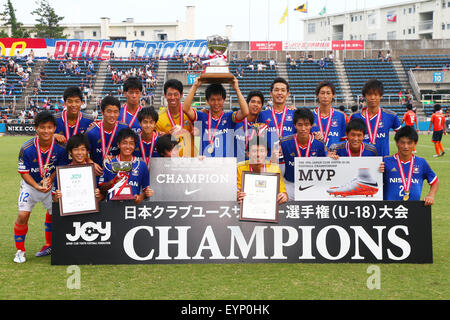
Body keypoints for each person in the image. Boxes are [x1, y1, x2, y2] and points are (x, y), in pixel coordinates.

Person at [14, 111, 69, 263]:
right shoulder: (26, 148)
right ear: (36, 128)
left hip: (50, 186)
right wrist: (36, 186)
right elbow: (24, 172)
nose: (46, 131)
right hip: (30, 186)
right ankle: (20, 250)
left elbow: (60, 167)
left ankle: (49, 245)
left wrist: (50, 180)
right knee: (23, 215)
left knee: (54, 214)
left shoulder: (60, 148)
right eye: (42, 127)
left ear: (55, 128)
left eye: (50, 127)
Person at [182, 76, 249, 157]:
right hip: (206, 162)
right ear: (207, 101)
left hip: (225, 163)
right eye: (213, 100)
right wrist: (195, 86)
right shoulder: (201, 116)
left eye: (219, 99)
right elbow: (185, 108)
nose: (216, 103)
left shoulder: (229, 117)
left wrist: (237, 89)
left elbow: (245, 112)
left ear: (224, 100)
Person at [278, 108, 326, 200]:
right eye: (300, 125)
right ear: (295, 125)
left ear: (311, 125)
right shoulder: (284, 143)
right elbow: (278, 168)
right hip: (290, 185)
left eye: (306, 125)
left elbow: (322, 169)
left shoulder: (319, 144)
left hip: (311, 186)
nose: (303, 128)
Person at [382, 126, 438, 204]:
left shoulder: (421, 162)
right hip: (389, 208)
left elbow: (434, 181)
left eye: (409, 143)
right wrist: (377, 170)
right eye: (402, 142)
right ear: (397, 143)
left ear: (415, 144)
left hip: (413, 210)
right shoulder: (385, 161)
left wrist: (431, 195)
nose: (406, 146)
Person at [99, 128, 153, 203]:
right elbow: (101, 189)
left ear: (134, 146)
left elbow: (146, 190)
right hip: (111, 208)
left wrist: (141, 197)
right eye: (124, 143)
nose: (128, 146)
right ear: (118, 144)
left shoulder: (141, 165)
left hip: (132, 208)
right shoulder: (109, 163)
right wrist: (113, 182)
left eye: (131, 143)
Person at [350, 79, 401, 156]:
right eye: (369, 94)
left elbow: (403, 137)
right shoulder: (355, 116)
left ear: (381, 96)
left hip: (382, 163)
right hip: (361, 162)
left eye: (376, 94)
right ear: (365, 96)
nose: (372, 97)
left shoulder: (391, 115)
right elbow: (349, 140)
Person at [237, 136, 288, 205]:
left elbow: (282, 191)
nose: (258, 155)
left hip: (267, 206)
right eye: (254, 151)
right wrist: (237, 195)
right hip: (246, 206)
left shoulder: (274, 168)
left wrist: (284, 196)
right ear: (248, 153)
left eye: (261, 151)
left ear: (266, 153)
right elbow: (236, 190)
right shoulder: (239, 168)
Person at [85, 96, 129, 174]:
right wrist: (91, 163)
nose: (112, 115)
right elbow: (84, 153)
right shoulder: (91, 132)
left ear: (119, 113)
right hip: (98, 171)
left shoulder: (124, 129)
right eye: (109, 111)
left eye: (115, 112)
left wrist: (115, 158)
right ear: (102, 112)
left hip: (119, 170)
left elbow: (129, 151)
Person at [53, 133, 104, 201]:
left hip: (90, 210)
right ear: (70, 152)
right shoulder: (62, 173)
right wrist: (57, 197)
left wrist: (98, 195)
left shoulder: (94, 171)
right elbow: (55, 199)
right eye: (76, 149)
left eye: (83, 149)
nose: (79, 153)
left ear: (87, 152)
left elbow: (103, 195)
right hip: (70, 210)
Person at [257, 77, 297, 160]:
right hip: (269, 160)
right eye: (276, 90)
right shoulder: (262, 115)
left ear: (288, 94)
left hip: (290, 160)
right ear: (271, 93)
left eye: (283, 90)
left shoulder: (295, 114)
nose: (279, 93)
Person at [156, 79, 196, 157]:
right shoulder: (159, 118)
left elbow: (200, 133)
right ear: (164, 95)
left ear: (181, 95)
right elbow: (159, 146)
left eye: (176, 94)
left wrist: (197, 131)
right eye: (169, 94)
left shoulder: (191, 113)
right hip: (171, 162)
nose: (173, 97)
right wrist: (167, 135)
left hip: (190, 161)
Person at [311, 81, 347, 149]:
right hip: (314, 157)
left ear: (333, 95)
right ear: (317, 95)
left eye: (328, 93)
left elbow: (343, 140)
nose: (325, 96)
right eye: (322, 93)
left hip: (334, 157)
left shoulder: (341, 116)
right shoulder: (310, 116)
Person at [233, 91, 267, 162]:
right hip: (236, 164)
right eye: (253, 102)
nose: (255, 104)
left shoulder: (262, 124)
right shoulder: (237, 120)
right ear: (247, 104)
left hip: (253, 165)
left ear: (261, 107)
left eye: (259, 103)